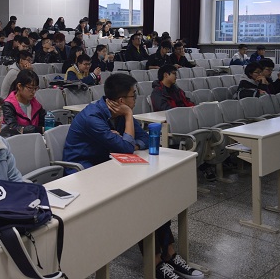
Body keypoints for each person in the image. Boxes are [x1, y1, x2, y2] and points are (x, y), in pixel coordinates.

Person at [62, 73, 201, 279]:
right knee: (140, 201)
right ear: (121, 101)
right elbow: (126, 148)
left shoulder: (117, 110)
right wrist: (128, 119)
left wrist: (128, 141)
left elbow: (143, 138)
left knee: (152, 194)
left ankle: (169, 253)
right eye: (133, 96)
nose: (135, 100)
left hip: (108, 166)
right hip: (83, 173)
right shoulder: (93, 117)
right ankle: (155, 262)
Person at [2, 69, 46, 135]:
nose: (33, 92)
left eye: (35, 88)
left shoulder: (36, 104)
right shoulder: (8, 105)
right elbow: (12, 128)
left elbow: (44, 121)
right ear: (19, 86)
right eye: (30, 88)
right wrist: (36, 129)